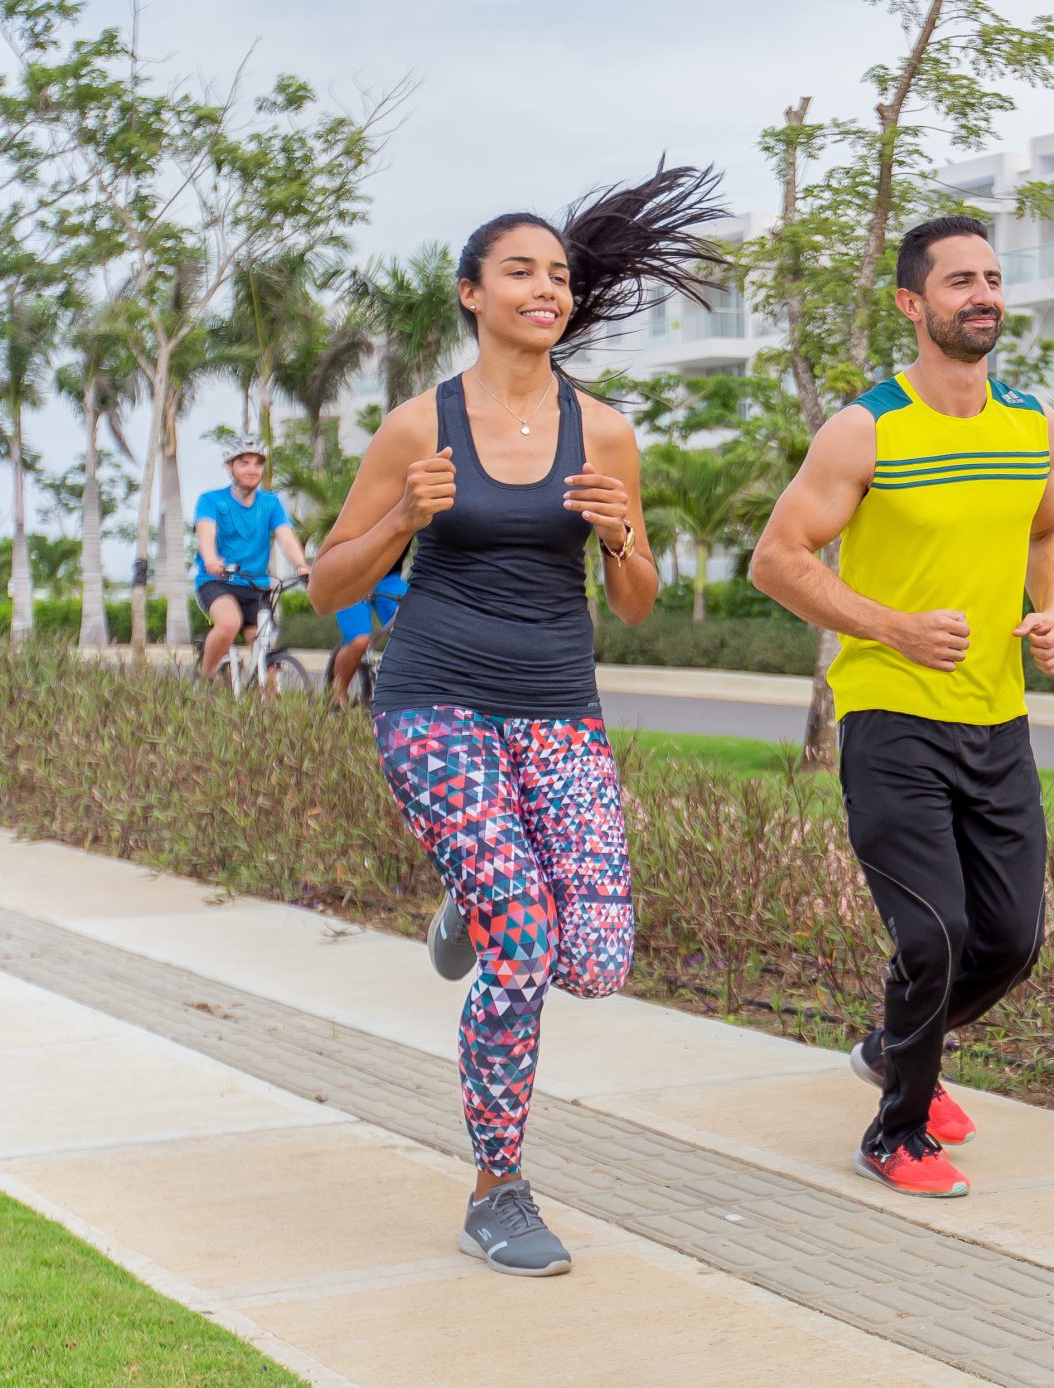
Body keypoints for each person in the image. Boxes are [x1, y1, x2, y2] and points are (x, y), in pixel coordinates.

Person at [309, 165, 723, 1276]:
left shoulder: (607, 432)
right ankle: (499, 1185)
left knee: (593, 958)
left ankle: (470, 893)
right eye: (521, 272)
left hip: (557, 711)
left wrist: (623, 537)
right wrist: (403, 511)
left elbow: (631, 604)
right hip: (434, 700)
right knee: (527, 936)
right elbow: (323, 584)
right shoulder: (417, 425)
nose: (548, 288)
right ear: (470, 293)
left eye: (559, 275)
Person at [751, 215, 1054, 1200]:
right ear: (911, 303)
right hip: (892, 716)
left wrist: (1051, 611)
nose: (981, 294)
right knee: (933, 930)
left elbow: (1050, 527)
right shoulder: (867, 427)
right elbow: (778, 559)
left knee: (1011, 939)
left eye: (991, 276)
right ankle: (895, 1131)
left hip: (997, 717)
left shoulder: (1032, 425)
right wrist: (889, 627)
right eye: (957, 281)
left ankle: (895, 1046)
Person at [193, 448, 308, 681]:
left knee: (266, 653)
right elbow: (205, 533)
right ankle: (204, 679)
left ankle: (269, 711)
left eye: (257, 464)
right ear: (230, 467)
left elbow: (285, 536)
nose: (252, 469)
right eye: (244, 463)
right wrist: (211, 560)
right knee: (228, 624)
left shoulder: (270, 503)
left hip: (256, 586)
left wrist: (301, 566)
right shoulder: (211, 500)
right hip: (219, 581)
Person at [326, 565, 406, 705]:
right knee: (359, 641)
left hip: (388, 578)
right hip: (351, 579)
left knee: (414, 630)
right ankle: (337, 698)